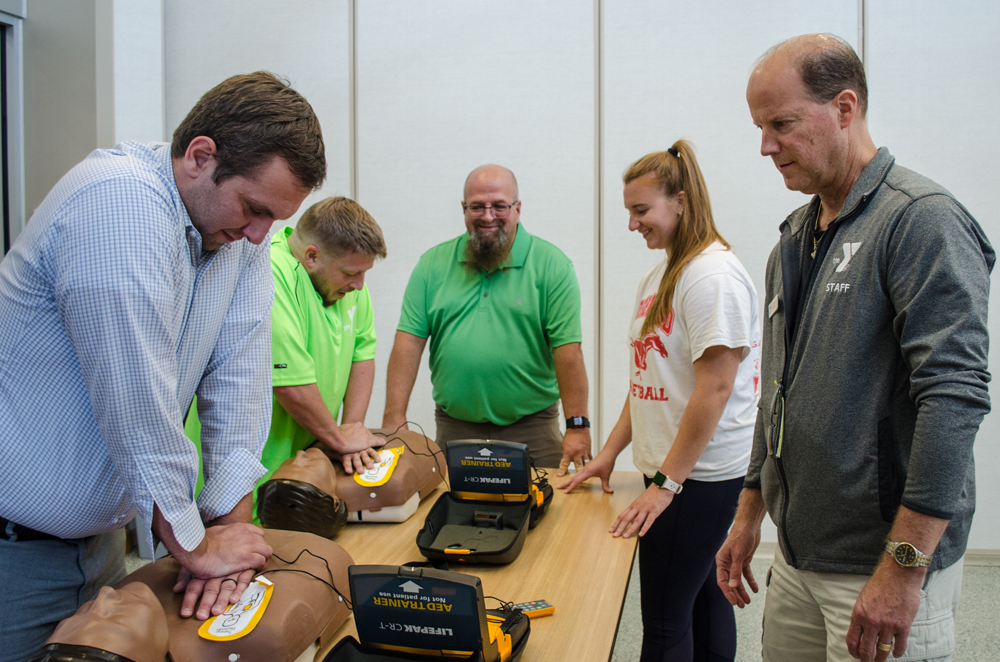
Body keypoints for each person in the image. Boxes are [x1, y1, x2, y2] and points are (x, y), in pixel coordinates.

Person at [0, 71, 326, 661]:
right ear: (201, 156)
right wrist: (197, 547)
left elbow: (237, 381)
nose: (260, 236)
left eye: (273, 219)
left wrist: (227, 529)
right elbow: (136, 399)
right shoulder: (119, 201)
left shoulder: (236, 236)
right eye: (254, 209)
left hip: (95, 544)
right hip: (13, 557)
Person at [716, 34, 993, 662]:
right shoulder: (793, 237)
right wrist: (750, 509)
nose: (765, 146)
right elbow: (776, 388)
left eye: (781, 124)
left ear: (845, 108)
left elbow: (953, 398)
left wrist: (903, 567)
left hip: (881, 566)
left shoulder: (921, 220)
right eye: (760, 127)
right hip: (799, 555)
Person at [561, 142, 761, 662]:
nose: (632, 224)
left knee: (666, 623)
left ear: (681, 200)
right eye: (630, 210)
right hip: (677, 474)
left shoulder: (710, 276)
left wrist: (665, 485)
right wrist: (609, 453)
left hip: (698, 477)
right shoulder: (663, 274)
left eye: (641, 210)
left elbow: (714, 388)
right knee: (700, 603)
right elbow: (648, 379)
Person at [186, 196, 387, 522]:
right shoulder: (269, 274)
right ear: (312, 256)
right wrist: (339, 440)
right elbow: (290, 385)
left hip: (302, 473)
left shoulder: (349, 286)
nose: (359, 285)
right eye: (351, 273)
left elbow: (362, 356)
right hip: (246, 479)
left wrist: (351, 429)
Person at [381, 164, 591, 473]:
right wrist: (393, 418)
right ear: (464, 209)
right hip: (455, 430)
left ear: (517, 208)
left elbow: (568, 352)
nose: (488, 216)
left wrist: (577, 425)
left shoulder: (552, 266)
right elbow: (408, 343)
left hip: (534, 429)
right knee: (454, 516)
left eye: (499, 206)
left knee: (545, 516)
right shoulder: (432, 265)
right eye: (477, 207)